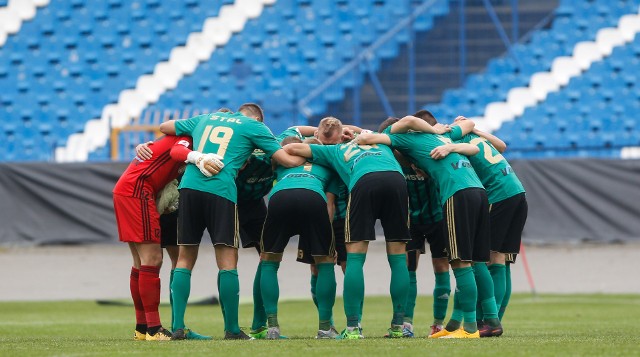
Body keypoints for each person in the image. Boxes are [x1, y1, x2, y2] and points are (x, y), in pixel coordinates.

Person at [284, 116, 442, 339]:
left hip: (364, 181)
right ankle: (399, 326)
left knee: (356, 258)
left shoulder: (333, 151)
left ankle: (352, 328)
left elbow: (292, 148)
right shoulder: (377, 139)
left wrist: (314, 141)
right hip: (396, 181)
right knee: (398, 257)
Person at [158, 103, 305, 340]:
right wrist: (310, 158)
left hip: (190, 188)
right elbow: (285, 160)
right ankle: (232, 329)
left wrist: (195, 154)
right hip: (221, 190)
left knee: (184, 258)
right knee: (227, 259)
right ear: (259, 119)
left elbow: (165, 126)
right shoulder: (253, 127)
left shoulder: (206, 117)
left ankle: (178, 327)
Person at [356, 115, 490, 339]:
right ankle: (461, 326)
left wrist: (363, 137)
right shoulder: (430, 141)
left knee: (460, 262)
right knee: (471, 261)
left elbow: (404, 121)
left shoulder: (399, 137)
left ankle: (469, 329)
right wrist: (444, 142)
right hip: (477, 191)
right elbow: (472, 142)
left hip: (457, 193)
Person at [114, 135, 221, 341]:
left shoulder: (176, 137)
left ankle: (143, 328)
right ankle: (154, 329)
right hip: (138, 190)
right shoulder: (187, 138)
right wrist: (198, 158)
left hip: (127, 189)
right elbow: (176, 151)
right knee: (153, 260)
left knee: (140, 262)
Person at [448, 116, 527, 337]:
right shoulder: (476, 137)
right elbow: (501, 146)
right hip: (517, 192)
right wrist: (474, 129)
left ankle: (489, 322)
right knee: (501, 260)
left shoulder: (457, 142)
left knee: (485, 258)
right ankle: (495, 321)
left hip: (499, 196)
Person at [376, 118, 450, 338]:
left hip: (437, 217)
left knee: (441, 269)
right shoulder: (391, 158)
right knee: (409, 270)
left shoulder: (426, 151)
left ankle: (438, 323)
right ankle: (406, 323)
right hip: (410, 221)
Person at [259, 136, 338, 339]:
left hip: (280, 198)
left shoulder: (284, 162)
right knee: (325, 263)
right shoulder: (328, 167)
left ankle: (273, 328)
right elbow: (330, 205)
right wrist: (327, 242)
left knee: (268, 261)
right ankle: (325, 328)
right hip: (313, 198)